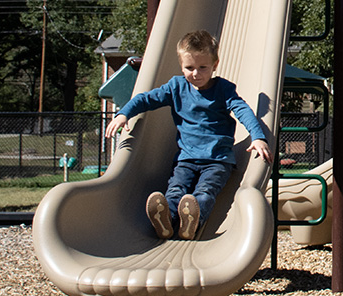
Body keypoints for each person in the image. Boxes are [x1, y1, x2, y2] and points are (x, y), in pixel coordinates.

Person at [105, 30, 272, 240]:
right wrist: (123, 114)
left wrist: (257, 136)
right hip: (186, 159)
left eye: (203, 67)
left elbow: (242, 110)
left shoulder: (223, 89)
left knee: (205, 191)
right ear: (181, 66)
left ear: (215, 65)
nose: (196, 73)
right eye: (189, 68)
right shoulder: (176, 87)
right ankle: (168, 221)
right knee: (175, 189)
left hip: (217, 160)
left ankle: (194, 221)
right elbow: (145, 99)